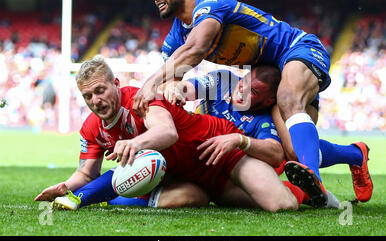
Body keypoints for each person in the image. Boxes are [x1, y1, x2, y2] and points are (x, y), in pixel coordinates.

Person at [132, 0, 334, 206]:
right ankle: (355, 154)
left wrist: (151, 82)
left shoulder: (209, 5)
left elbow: (196, 48)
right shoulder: (175, 36)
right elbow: (171, 82)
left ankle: (314, 181)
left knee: (289, 99)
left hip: (297, 48)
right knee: (292, 151)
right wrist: (171, 88)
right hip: (269, 72)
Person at [35, 56, 310, 212]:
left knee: (281, 206)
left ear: (115, 85)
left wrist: (134, 142)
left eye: (100, 91)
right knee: (194, 200)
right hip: (192, 178)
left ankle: (307, 192)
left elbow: (168, 133)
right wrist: (67, 187)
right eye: (88, 96)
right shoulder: (90, 128)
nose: (95, 100)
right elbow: (86, 173)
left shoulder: (141, 99)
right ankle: (111, 196)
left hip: (222, 152)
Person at [164, 64, 373, 203]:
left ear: (267, 101)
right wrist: (178, 90)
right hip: (198, 155)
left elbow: (275, 154)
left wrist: (240, 140)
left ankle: (314, 190)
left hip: (230, 170)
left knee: (290, 152)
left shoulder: (264, 120)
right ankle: (354, 154)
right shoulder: (223, 80)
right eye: (243, 83)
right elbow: (191, 87)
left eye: (252, 92)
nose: (241, 91)